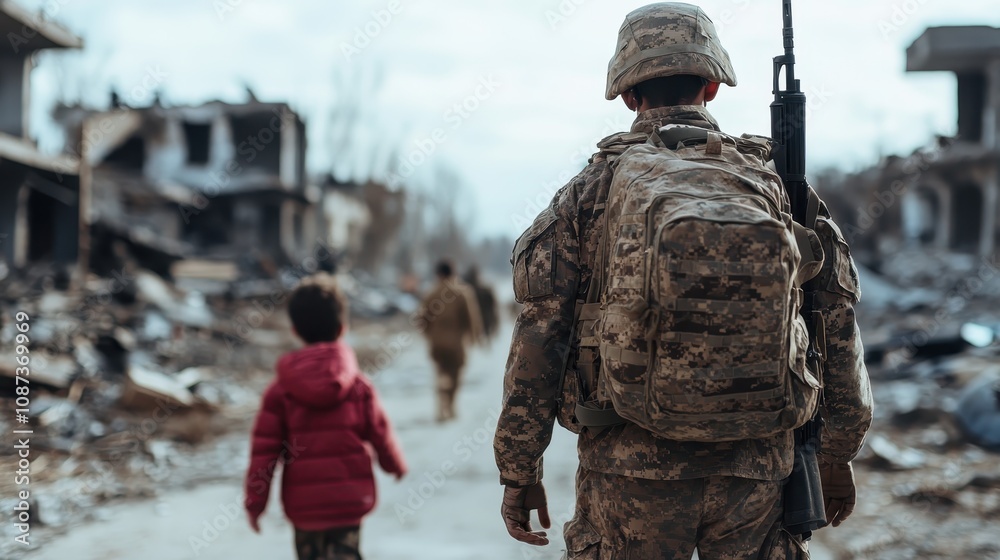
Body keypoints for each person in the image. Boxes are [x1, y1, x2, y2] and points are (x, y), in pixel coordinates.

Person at [493, 3, 873, 559]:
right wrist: (836, 453)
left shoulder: (591, 192)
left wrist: (519, 468)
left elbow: (539, 339)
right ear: (713, 86)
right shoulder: (772, 183)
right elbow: (832, 318)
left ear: (627, 94)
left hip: (629, 469)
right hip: (756, 466)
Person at [244, 273, 407, 560]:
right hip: (349, 501)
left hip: (304, 506)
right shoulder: (358, 386)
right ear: (342, 327)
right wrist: (394, 463)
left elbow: (264, 454)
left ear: (295, 330)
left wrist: (255, 504)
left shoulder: (280, 392)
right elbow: (379, 431)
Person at [418, 259, 482, 422]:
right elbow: (471, 317)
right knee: (455, 374)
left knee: (441, 373)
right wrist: (475, 337)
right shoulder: (462, 292)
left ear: (438, 274)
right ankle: (451, 405)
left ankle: (441, 405)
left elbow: (422, 319)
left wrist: (428, 335)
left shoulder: (431, 293)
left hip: (437, 343)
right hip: (456, 343)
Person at [463, 266, 500, 343]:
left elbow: (493, 307)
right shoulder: (469, 291)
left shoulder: (482, 290)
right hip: (480, 320)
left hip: (483, 318)